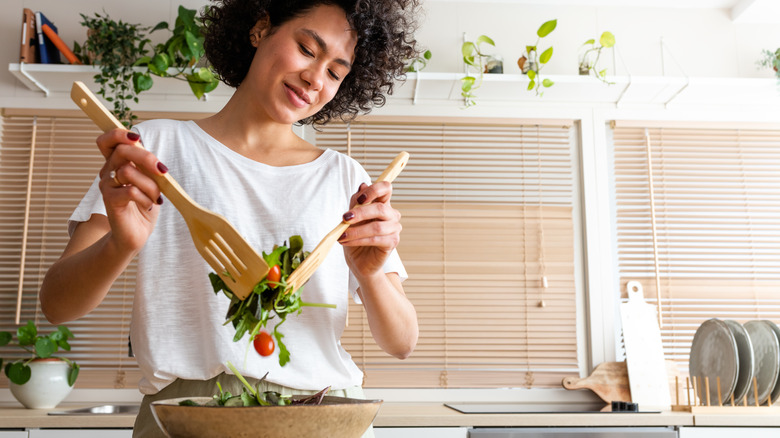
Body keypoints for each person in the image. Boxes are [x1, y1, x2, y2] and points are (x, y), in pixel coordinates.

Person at [39, 0, 420, 436]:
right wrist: (120, 244)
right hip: (186, 416)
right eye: (307, 49)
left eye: (335, 72)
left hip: (320, 416)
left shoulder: (344, 177)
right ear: (260, 29)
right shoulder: (156, 148)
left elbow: (402, 341)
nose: (315, 79)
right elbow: (57, 305)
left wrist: (371, 275)